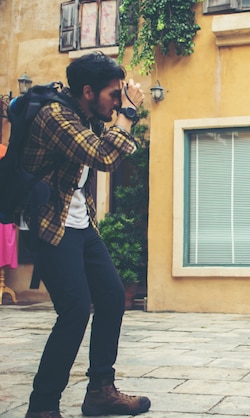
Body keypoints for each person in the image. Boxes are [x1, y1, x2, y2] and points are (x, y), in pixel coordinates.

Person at [21, 52, 151, 417]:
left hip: (80, 222)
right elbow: (105, 158)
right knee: (75, 310)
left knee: (111, 297)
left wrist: (118, 113)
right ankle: (42, 406)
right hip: (50, 224)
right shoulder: (55, 116)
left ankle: (100, 391)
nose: (117, 101)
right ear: (88, 91)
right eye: (113, 94)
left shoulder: (85, 116)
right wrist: (127, 114)